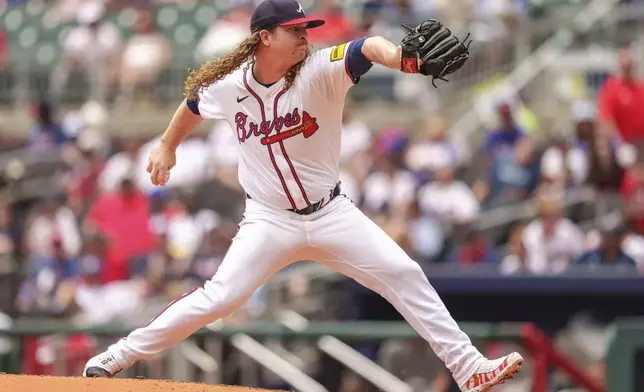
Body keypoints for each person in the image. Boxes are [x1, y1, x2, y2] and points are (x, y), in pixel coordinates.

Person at [83, 1, 523, 390]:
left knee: (403, 271)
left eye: (304, 28)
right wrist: (166, 145)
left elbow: (366, 47)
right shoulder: (232, 85)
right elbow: (194, 103)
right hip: (269, 220)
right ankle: (116, 356)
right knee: (220, 298)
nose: (304, 35)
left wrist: (403, 60)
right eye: (294, 29)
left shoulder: (319, 69)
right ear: (265, 37)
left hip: (331, 212)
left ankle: (468, 368)